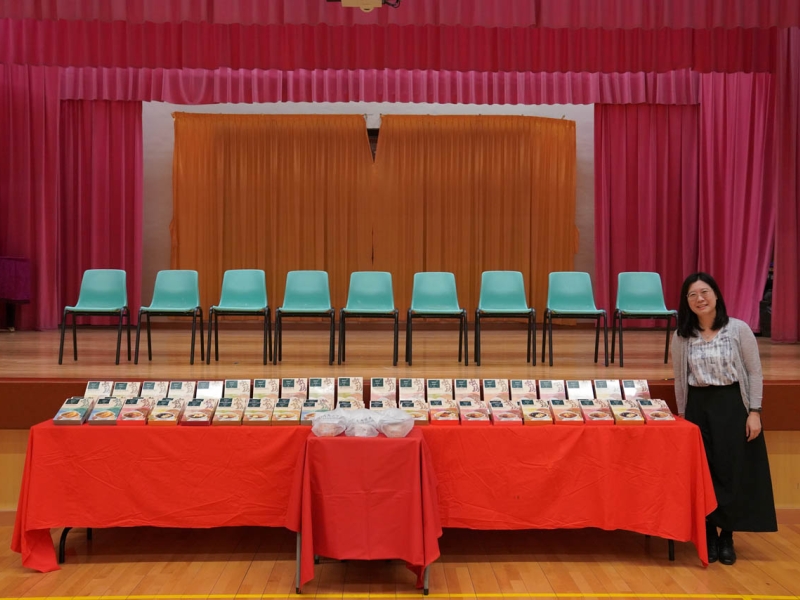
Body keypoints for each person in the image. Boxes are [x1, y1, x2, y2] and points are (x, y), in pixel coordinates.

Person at [672, 272, 777, 566]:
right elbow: (680, 379)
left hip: (732, 404)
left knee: (732, 471)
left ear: (716, 295)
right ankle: (708, 533)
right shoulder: (682, 336)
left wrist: (754, 411)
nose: (699, 299)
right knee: (704, 472)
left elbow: (754, 372)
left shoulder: (738, 329)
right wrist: (683, 416)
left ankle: (727, 536)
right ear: (686, 302)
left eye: (704, 292)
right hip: (698, 406)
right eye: (692, 295)